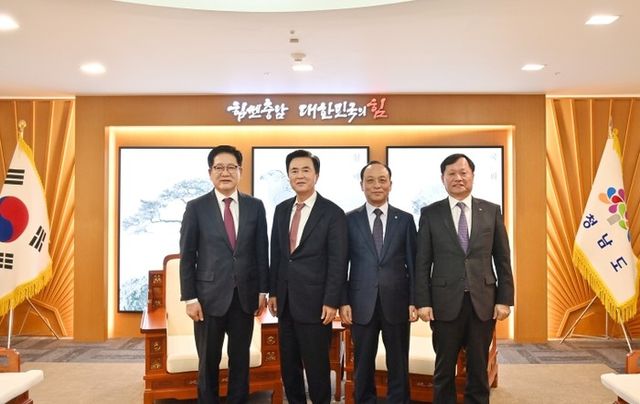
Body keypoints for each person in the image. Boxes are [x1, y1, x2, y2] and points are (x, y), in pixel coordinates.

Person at [415, 153, 514, 404]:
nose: (458, 178)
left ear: (472, 176)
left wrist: (504, 299)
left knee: (478, 369)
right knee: (444, 369)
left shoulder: (491, 211)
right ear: (443, 178)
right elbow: (422, 262)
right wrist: (423, 302)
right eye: (451, 173)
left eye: (463, 173)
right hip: (444, 303)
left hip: (483, 302)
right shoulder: (430, 213)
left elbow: (502, 259)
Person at [179, 145, 269, 404]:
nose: (225, 172)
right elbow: (188, 256)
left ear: (240, 171)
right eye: (219, 167)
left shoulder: (255, 206)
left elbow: (261, 251)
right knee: (208, 361)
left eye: (231, 167)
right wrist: (190, 298)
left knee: (240, 360)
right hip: (207, 299)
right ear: (210, 172)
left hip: (244, 297)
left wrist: (262, 290)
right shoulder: (196, 208)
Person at [268, 149, 348, 404]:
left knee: (317, 368)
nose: (299, 175)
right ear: (288, 176)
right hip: (285, 302)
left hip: (316, 304)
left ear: (316, 175)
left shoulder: (332, 213)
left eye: (305, 170)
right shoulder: (281, 210)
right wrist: (273, 292)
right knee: (289, 367)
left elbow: (338, 261)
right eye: (294, 171)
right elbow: (277, 254)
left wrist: (331, 301)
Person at [339, 161, 417, 404]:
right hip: (361, 303)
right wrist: (343, 301)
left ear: (390, 184)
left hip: (397, 302)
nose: (376, 185)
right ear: (361, 185)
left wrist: (414, 301)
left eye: (382, 180)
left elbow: (414, 264)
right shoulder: (348, 220)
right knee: (362, 363)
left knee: (398, 362)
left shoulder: (405, 220)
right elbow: (341, 265)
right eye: (370, 180)